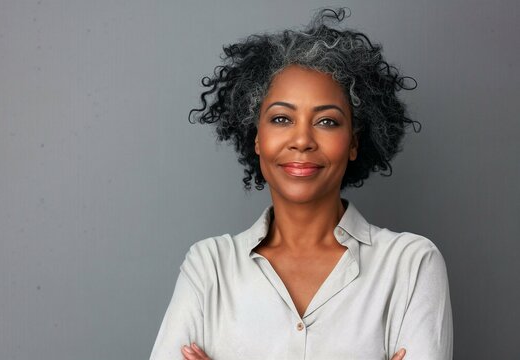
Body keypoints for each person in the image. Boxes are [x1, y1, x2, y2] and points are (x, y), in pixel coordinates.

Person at [150, 8, 453, 360]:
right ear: (257, 137)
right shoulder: (208, 266)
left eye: (327, 121)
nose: (302, 140)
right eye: (281, 119)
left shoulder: (411, 264)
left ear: (354, 142)